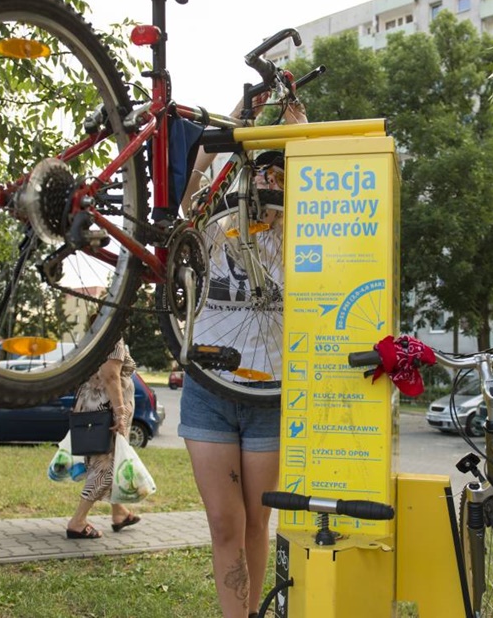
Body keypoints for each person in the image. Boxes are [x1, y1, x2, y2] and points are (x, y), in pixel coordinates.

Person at [178, 94, 305, 618]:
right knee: (224, 524)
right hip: (209, 390)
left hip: (269, 398)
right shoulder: (213, 219)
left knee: (257, 522)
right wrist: (238, 119)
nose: (269, 181)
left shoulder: (302, 230)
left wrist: (302, 131)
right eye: (262, 171)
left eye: (280, 173)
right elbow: (183, 198)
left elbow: (330, 192)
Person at [65, 334, 140, 539]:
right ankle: (78, 521)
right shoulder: (112, 338)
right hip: (106, 411)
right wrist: (120, 412)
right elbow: (110, 375)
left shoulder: (93, 335)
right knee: (105, 466)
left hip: (94, 406)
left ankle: (119, 513)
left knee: (108, 462)